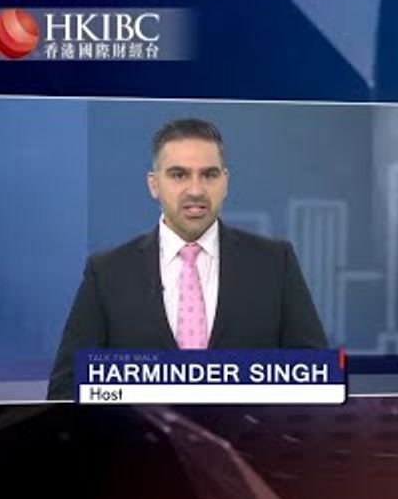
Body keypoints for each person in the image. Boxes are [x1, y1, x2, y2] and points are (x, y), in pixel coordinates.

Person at [47, 118, 326, 400]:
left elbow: (315, 380)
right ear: (154, 184)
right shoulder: (107, 273)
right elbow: (66, 390)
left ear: (225, 182)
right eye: (179, 175)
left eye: (209, 175)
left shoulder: (275, 264)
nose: (195, 190)